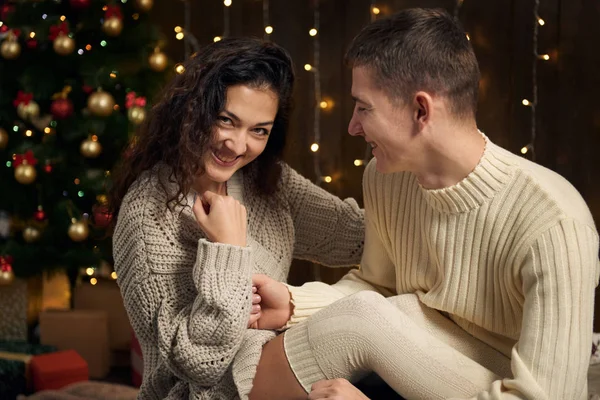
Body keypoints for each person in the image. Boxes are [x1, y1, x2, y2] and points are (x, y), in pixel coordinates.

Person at [248, 8, 600, 400]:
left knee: (368, 317)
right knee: (371, 314)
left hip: (513, 382)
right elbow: (377, 284)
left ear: (421, 110)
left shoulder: (553, 222)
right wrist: (295, 303)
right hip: (428, 344)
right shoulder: (384, 176)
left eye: (364, 107)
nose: (352, 126)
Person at [109, 37, 365, 399]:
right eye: (226, 121)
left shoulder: (265, 181)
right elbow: (197, 362)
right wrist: (228, 249)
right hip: (198, 394)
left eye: (259, 130)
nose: (238, 146)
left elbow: (357, 237)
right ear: (192, 109)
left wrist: (407, 164)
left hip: (279, 375)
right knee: (364, 324)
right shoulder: (148, 212)